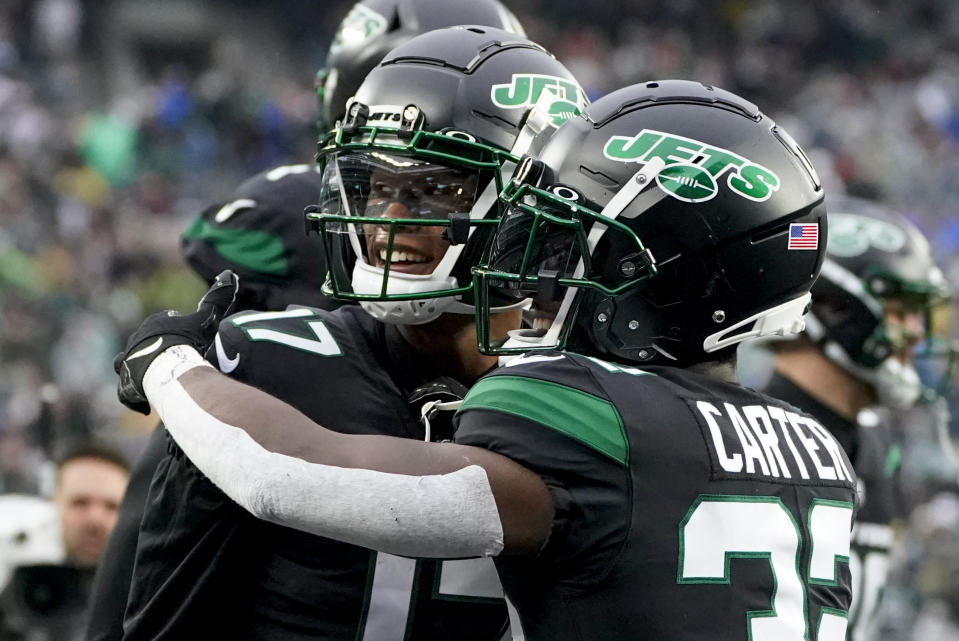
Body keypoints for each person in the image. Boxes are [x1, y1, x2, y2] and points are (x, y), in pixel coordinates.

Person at [116, 79, 859, 641]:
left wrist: (172, 365)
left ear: (670, 272)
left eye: (576, 239)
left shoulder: (587, 408)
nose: (539, 265)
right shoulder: (815, 446)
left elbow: (283, 475)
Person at [112, 26, 586, 641]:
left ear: (533, 204)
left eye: (434, 188)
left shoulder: (593, 396)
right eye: (376, 187)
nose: (387, 220)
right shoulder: (261, 368)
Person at [755, 194, 953, 641]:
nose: (918, 336)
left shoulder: (876, 439)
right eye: (903, 310)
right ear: (834, 306)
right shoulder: (751, 438)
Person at [1, 444, 128, 641]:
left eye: (111, 506)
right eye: (80, 503)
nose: (95, 519)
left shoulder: (148, 593)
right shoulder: (14, 587)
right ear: (55, 503)